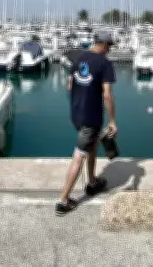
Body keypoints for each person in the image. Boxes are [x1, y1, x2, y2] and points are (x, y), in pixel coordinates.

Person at [55, 31, 117, 216]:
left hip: (76, 115)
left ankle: (91, 182)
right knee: (79, 156)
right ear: (104, 45)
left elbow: (69, 85)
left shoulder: (79, 58)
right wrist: (113, 121)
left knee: (93, 145)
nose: (110, 50)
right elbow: (107, 94)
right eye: (110, 46)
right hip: (91, 117)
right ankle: (63, 201)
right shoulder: (105, 63)